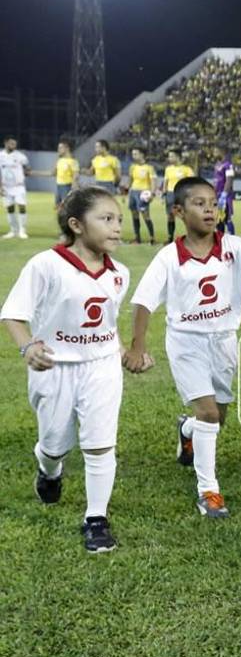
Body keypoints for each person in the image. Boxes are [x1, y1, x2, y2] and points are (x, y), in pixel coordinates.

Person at [124, 177, 241, 518]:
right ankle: (209, 491)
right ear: (178, 210)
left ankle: (186, 431)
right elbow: (143, 303)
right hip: (186, 342)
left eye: (212, 204)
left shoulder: (233, 246)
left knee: (217, 418)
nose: (209, 210)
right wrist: (137, 346)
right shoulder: (168, 258)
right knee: (207, 412)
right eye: (199, 203)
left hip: (224, 342)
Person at [1, 187, 147, 552]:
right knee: (54, 445)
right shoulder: (46, 265)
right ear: (76, 225)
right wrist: (28, 346)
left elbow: (106, 326)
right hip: (54, 368)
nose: (116, 228)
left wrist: (127, 352)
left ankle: (95, 518)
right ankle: (49, 470)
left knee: (100, 445)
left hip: (101, 368)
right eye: (106, 219)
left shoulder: (120, 274)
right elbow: (13, 314)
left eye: (118, 220)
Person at [124, 147, 157, 245]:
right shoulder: (132, 167)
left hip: (143, 194)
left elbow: (153, 182)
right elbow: (130, 180)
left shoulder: (149, 168)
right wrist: (126, 191)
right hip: (133, 192)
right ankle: (137, 238)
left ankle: (152, 238)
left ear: (142, 155)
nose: (133, 156)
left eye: (135, 154)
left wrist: (152, 194)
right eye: (133, 154)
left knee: (145, 216)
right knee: (134, 215)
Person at [160, 148, 194, 244]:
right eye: (169, 156)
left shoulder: (187, 169)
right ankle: (170, 238)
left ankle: (192, 238)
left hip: (181, 194)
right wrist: (164, 194)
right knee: (170, 216)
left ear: (178, 157)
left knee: (186, 216)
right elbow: (165, 182)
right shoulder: (168, 169)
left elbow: (192, 183)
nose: (169, 158)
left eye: (171, 156)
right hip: (170, 194)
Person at [1, 135, 30, 238]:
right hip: (6, 187)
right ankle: (13, 231)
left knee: (22, 206)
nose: (14, 146)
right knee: (10, 208)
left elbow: (27, 168)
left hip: (18, 186)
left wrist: (27, 171)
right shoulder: (1, 156)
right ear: (6, 143)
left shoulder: (20, 156)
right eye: (12, 144)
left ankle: (22, 230)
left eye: (15, 144)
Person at [212, 148, 236, 235]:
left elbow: (229, 180)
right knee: (218, 219)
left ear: (222, 152)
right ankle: (220, 241)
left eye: (215, 151)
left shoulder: (228, 165)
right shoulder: (217, 164)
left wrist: (224, 194)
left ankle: (232, 241)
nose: (214, 153)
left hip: (224, 196)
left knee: (226, 218)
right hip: (217, 195)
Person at [54, 140, 80, 211]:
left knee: (67, 207)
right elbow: (53, 173)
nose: (58, 150)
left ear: (67, 148)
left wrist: (74, 185)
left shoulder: (73, 161)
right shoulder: (59, 160)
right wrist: (34, 173)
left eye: (60, 148)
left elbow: (76, 174)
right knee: (57, 207)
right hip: (58, 186)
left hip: (67, 186)